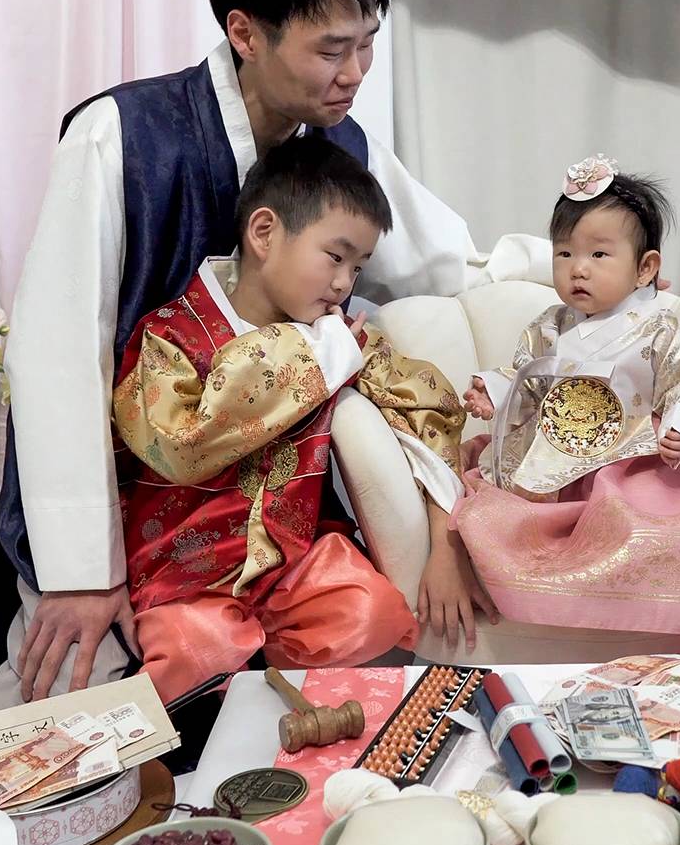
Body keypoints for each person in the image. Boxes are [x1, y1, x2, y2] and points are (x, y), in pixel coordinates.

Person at [0, 0, 550, 710]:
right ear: (246, 33)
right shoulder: (124, 135)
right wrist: (80, 570)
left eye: (367, 43)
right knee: (81, 705)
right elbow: (57, 353)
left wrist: (577, 268)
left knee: (345, 645)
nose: (355, 73)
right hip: (136, 503)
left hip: (272, 512)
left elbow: (443, 261)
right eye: (331, 49)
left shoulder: (340, 147)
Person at [113, 136, 465, 701]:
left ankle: (285, 701)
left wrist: (447, 543)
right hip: (188, 569)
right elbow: (177, 444)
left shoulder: (340, 337)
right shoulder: (171, 335)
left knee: (371, 614)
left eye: (358, 267)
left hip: (295, 557)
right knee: (195, 654)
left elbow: (427, 406)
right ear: (263, 233)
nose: (345, 283)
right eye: (335, 257)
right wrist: (312, 353)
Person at [447, 156, 680, 643]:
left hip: (625, 456)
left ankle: (624, 602)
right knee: (500, 512)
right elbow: (526, 374)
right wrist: (495, 389)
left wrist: (679, 425)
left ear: (645, 268)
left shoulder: (659, 329)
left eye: (598, 255)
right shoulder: (550, 326)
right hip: (553, 449)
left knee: (632, 515)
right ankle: (538, 592)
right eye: (565, 253)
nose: (578, 269)